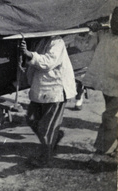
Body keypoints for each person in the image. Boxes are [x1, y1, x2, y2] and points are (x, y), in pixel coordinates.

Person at [19, 35, 77, 167]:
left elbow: (48, 62)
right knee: (31, 118)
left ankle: (45, 157)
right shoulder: (39, 40)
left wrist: (29, 54)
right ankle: (54, 138)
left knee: (47, 127)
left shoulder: (56, 41)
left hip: (54, 89)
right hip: (40, 88)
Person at [82, 7, 118, 165]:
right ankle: (112, 147)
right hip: (108, 85)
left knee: (110, 117)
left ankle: (100, 154)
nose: (115, 22)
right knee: (112, 117)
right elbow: (88, 44)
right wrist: (93, 30)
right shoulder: (106, 35)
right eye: (115, 18)